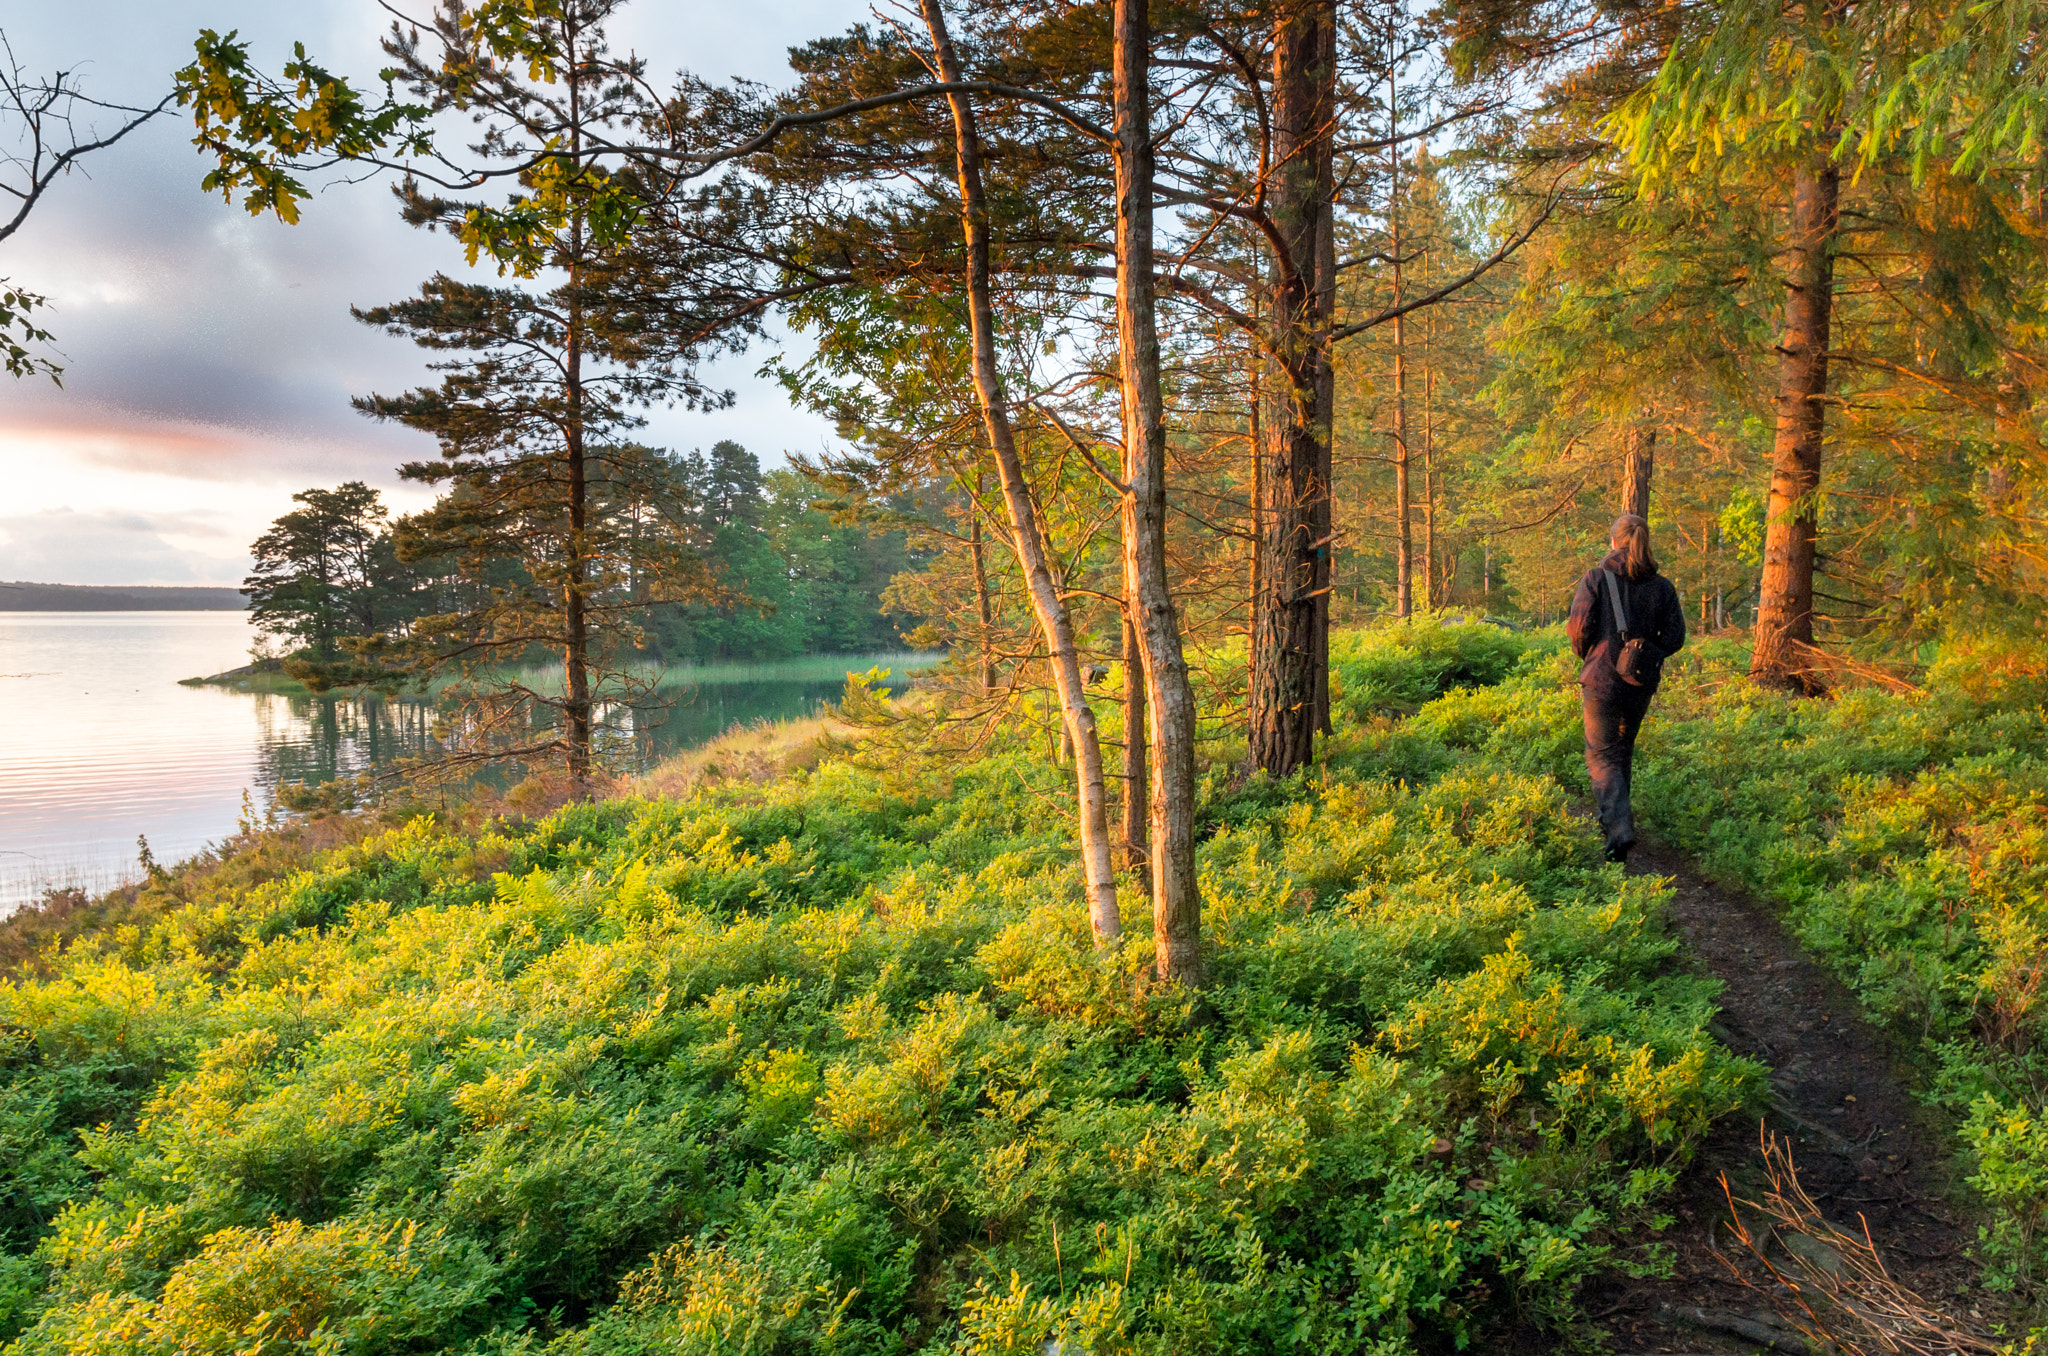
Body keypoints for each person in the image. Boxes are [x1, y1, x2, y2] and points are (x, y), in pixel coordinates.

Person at [1567, 514, 1686, 863]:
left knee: (1602, 755)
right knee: (1621, 751)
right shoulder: (1662, 586)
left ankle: (1619, 832)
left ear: (1614, 541)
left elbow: (1578, 631)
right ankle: (1616, 827)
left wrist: (1589, 655)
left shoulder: (1596, 578)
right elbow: (1676, 637)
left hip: (1601, 680)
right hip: (1641, 683)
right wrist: (1649, 653)